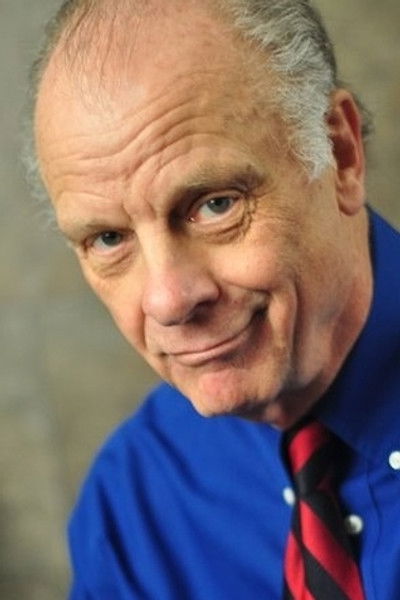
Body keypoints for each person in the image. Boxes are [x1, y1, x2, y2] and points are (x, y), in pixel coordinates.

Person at [32, 0, 400, 598]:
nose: (168, 300)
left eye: (214, 205)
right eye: (109, 239)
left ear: (340, 154)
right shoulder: (137, 498)